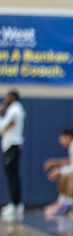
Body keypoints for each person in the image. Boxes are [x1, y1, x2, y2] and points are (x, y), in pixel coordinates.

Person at [0, 91, 25, 221]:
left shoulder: (14, 110)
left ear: (13, 97)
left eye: (7, 97)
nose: (5, 99)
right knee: (12, 176)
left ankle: (15, 204)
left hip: (12, 147)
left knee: (12, 176)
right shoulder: (16, 109)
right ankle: (16, 203)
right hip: (11, 147)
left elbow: (2, 127)